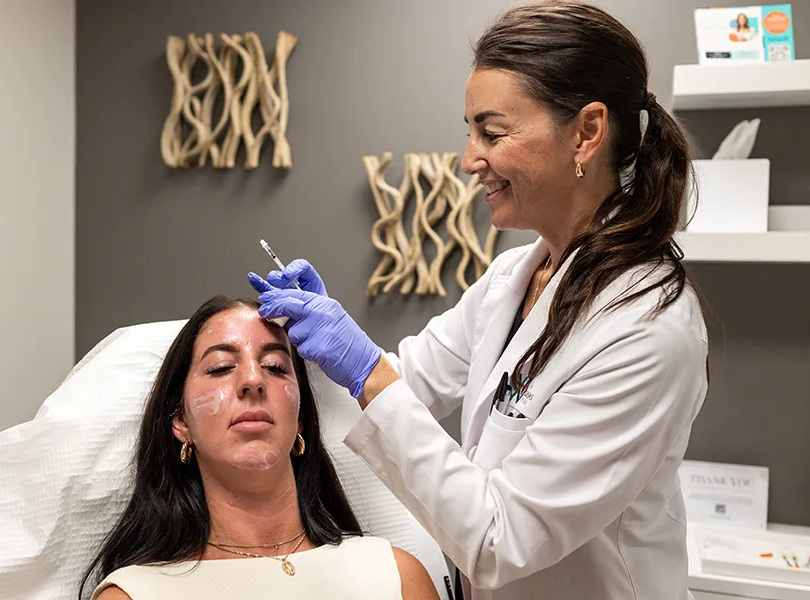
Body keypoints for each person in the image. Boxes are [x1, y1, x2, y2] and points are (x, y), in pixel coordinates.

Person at [248, 1, 709, 598]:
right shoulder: (513, 277)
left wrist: (362, 368)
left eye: (492, 133)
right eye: (469, 131)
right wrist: (324, 354)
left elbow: (501, 539)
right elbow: (408, 382)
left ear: (587, 132)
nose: (470, 160)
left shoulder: (648, 331)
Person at [81, 296, 439, 600]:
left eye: (275, 367)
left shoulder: (396, 577)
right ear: (181, 422)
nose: (253, 379)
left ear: (300, 420)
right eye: (221, 368)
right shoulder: (134, 594)